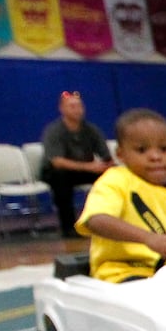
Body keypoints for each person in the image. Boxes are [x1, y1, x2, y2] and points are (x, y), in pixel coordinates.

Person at [76, 108, 166, 283]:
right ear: (121, 154)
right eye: (142, 150)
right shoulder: (116, 181)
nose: (155, 157)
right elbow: (97, 220)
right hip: (124, 274)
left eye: (164, 149)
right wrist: (149, 239)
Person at [39, 90, 114, 237]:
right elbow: (57, 161)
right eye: (72, 106)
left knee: (113, 176)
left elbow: (105, 156)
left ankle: (110, 220)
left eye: (79, 106)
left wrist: (109, 166)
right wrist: (90, 167)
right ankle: (68, 228)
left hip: (86, 170)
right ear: (62, 109)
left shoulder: (91, 130)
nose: (77, 110)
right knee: (61, 180)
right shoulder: (54, 130)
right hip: (57, 171)